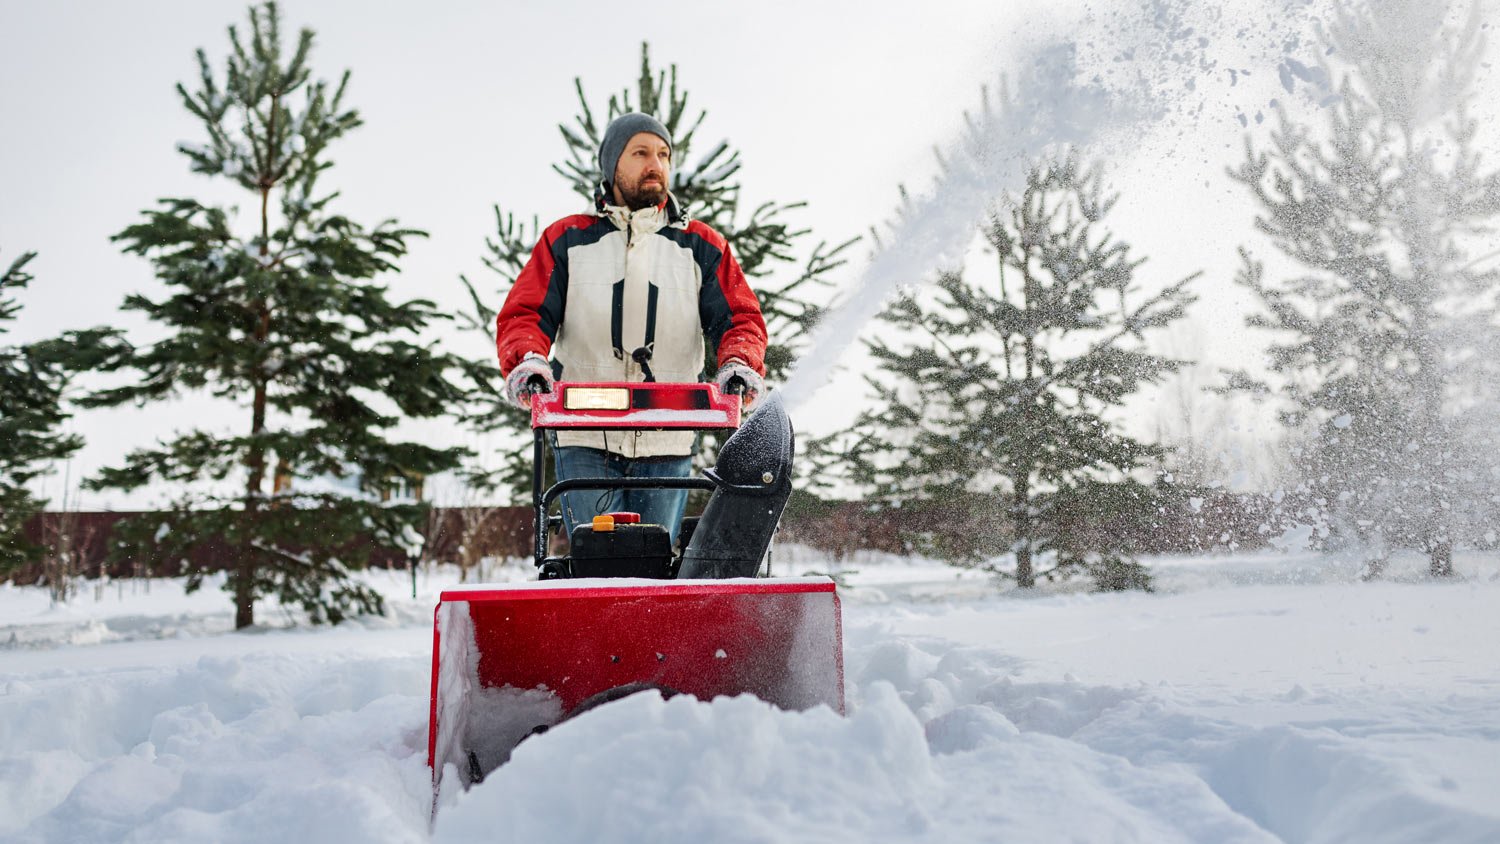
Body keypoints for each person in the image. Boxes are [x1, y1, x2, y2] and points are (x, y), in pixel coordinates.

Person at [494, 112, 767, 545]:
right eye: (640, 153)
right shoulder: (567, 240)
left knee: (653, 565)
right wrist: (527, 359)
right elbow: (525, 314)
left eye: (663, 154)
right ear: (612, 166)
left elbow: (740, 319)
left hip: (669, 434)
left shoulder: (701, 246)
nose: (654, 163)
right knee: (596, 561)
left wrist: (738, 363)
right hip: (583, 433)